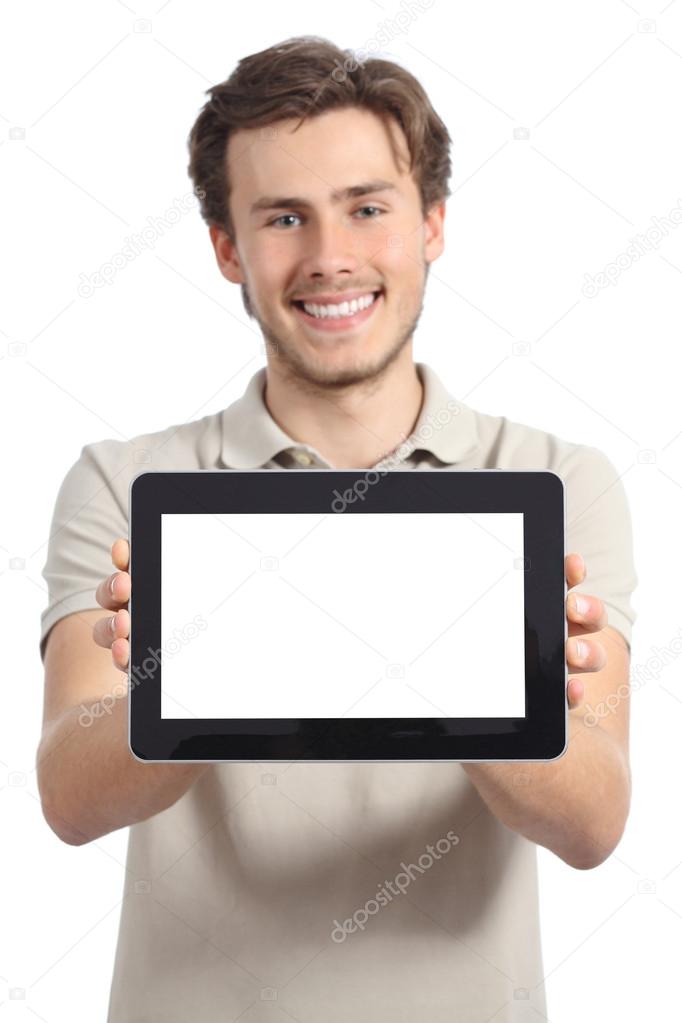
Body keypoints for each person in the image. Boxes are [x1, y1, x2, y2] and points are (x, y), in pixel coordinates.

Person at [36, 35, 637, 1023]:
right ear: (227, 244)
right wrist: (201, 671)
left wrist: (465, 666)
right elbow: (71, 793)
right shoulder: (128, 481)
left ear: (432, 221)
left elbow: (593, 817)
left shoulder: (555, 482)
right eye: (282, 217)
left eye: (367, 206)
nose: (329, 259)